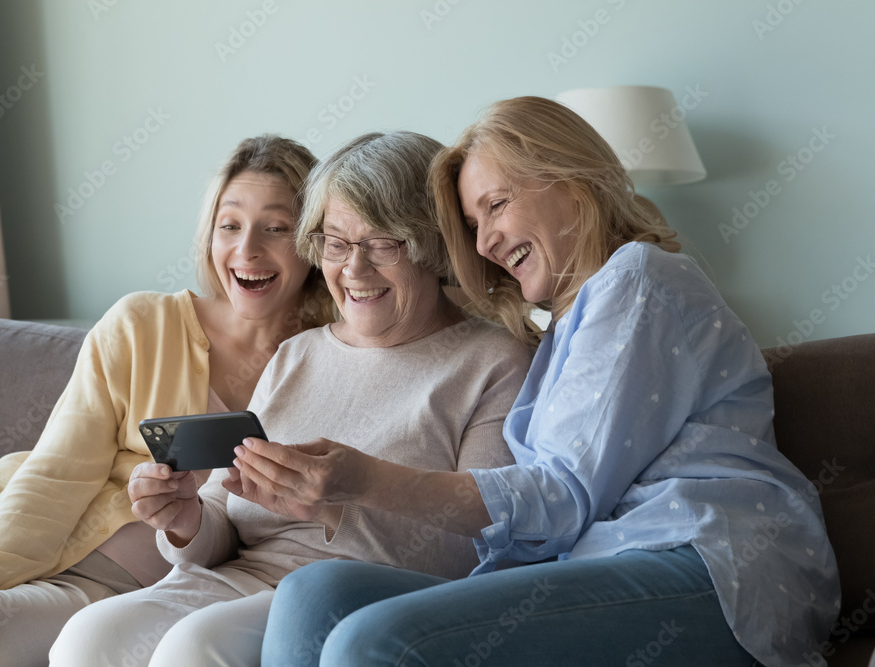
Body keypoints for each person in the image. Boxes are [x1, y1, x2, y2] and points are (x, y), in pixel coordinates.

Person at [252, 97, 841, 667]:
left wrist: (366, 481)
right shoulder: (563, 327)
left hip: (708, 561)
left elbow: (560, 496)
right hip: (596, 563)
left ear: (571, 181)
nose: (483, 242)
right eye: (471, 224)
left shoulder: (636, 279)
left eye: (497, 204)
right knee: (314, 594)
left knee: (370, 643)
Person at [49, 130, 533, 666]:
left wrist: (334, 508)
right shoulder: (297, 355)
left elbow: (484, 547)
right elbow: (225, 519)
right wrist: (186, 518)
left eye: (382, 244)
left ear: (431, 246)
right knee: (87, 637)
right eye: (336, 243)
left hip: (360, 597)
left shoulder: (493, 362)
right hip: (239, 580)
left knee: (194, 648)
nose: (353, 269)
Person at [0, 134, 333, 665]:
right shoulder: (142, 322)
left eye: (276, 228)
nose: (247, 249)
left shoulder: (330, 361)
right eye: (229, 225)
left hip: (115, 579)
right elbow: (58, 470)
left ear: (311, 241)